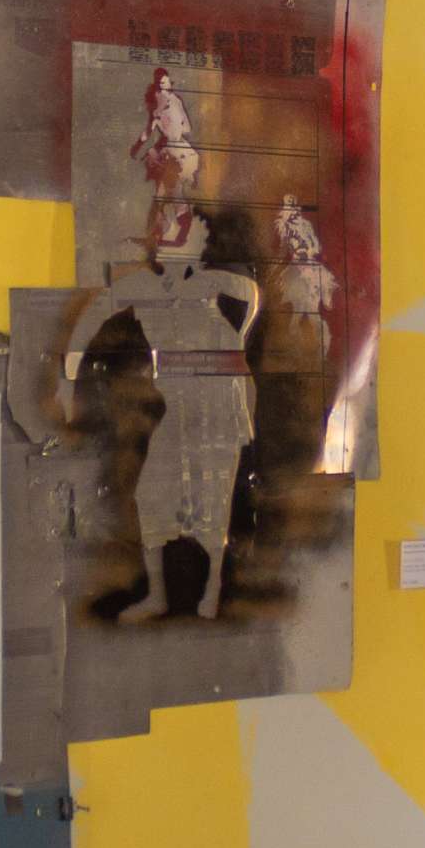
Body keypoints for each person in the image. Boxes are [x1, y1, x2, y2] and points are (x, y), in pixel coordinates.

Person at [57, 204, 264, 622]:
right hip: (182, 403)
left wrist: (226, 310)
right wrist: (68, 376)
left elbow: (251, 295)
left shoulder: (208, 284)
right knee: (152, 494)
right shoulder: (143, 288)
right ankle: (158, 596)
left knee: (214, 497)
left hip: (220, 403)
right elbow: (92, 316)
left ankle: (212, 590)